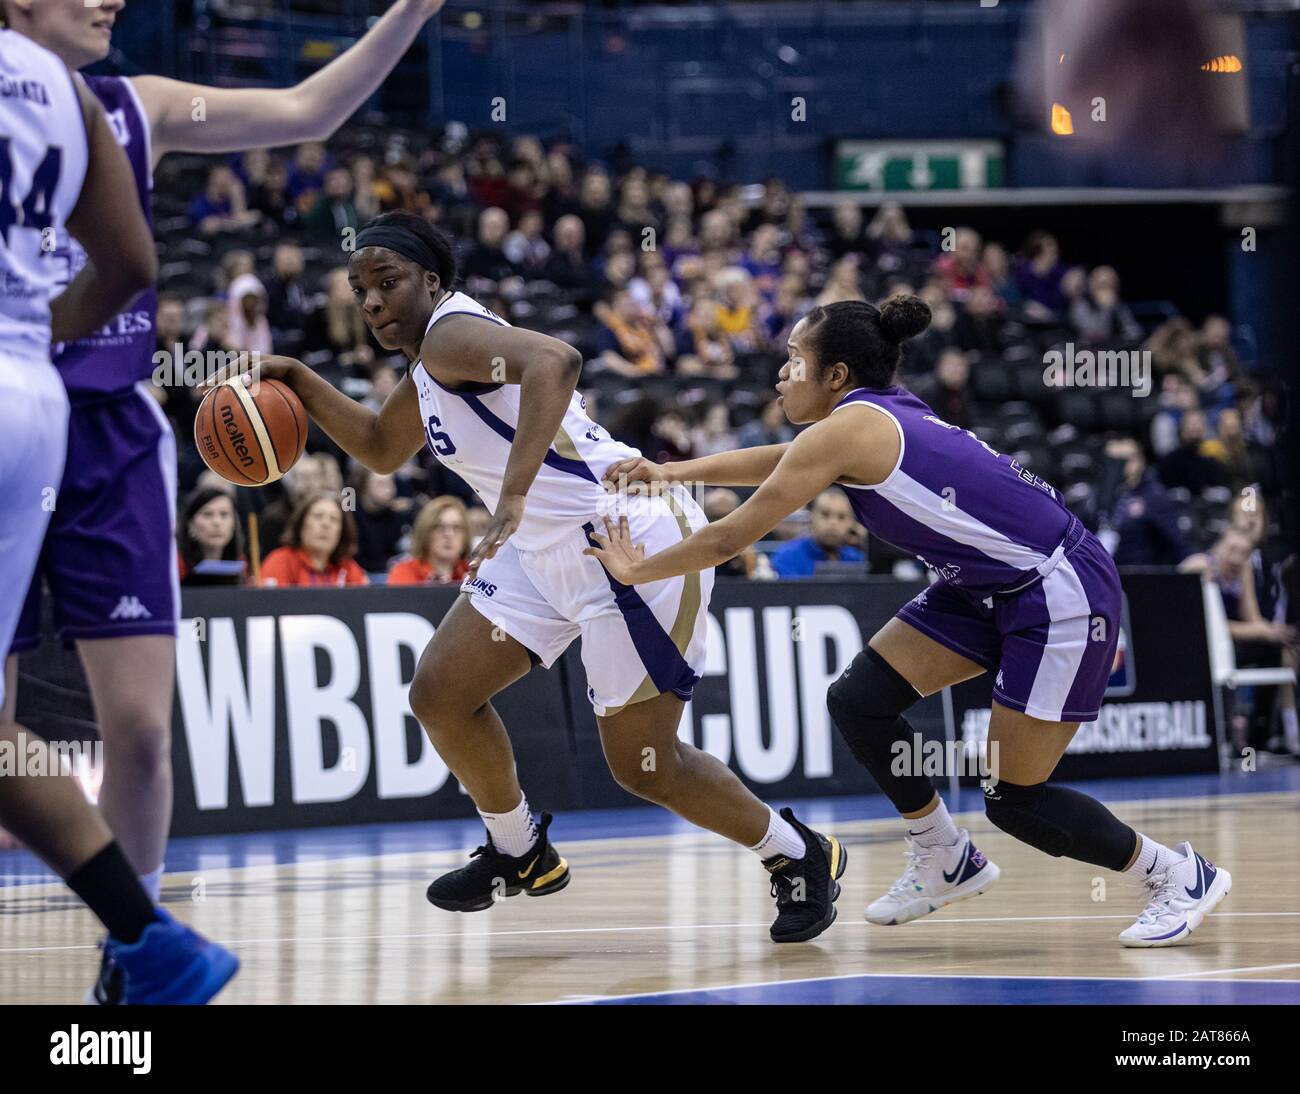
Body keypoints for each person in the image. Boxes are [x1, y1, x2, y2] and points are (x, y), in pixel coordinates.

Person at [4, 0, 450, 1006]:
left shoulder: (136, 104)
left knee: (143, 730)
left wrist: (407, 14)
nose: (109, 1)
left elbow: (309, 107)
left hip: (108, 434)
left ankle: (135, 951)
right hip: (20, 407)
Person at [234, 211, 846, 943]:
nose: (370, 303)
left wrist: (516, 490)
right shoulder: (429, 363)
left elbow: (554, 360)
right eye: (359, 289)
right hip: (541, 547)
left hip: (626, 538)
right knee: (441, 693)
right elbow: (377, 446)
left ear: (432, 281)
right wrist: (300, 380)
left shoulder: (452, 334)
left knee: (646, 766)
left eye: (387, 283)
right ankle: (518, 850)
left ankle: (797, 854)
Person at [589, 296, 1232, 948]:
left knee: (1015, 798)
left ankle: (1179, 874)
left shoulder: (850, 429)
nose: (781, 374)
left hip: (1056, 589)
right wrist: (671, 472)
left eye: (793, 361)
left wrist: (636, 569)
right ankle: (942, 854)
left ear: (835, 375)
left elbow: (731, 538)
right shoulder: (864, 419)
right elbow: (785, 459)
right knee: (861, 700)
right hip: (984, 586)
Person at [0, 25, 235, 1003]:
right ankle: (150, 937)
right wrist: (27, 338)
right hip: (34, 399)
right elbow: (132, 263)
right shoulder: (66, 92)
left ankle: (148, 936)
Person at [260, 494, 370, 588]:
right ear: (301, 524)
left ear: (342, 531)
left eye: (334, 519)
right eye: (318, 516)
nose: (326, 524)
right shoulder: (281, 560)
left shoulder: (348, 567)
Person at [770, 490, 866, 578]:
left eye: (841, 517)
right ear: (811, 516)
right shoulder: (787, 557)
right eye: (825, 514)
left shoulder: (857, 559)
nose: (833, 522)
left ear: (852, 522)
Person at [387, 496, 473, 586]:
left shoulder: (475, 574)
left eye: (456, 527)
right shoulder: (404, 572)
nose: (449, 534)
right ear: (425, 532)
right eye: (439, 527)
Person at [177, 487, 246, 584]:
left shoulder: (245, 566)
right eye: (207, 514)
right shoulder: (176, 566)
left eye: (224, 514)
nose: (217, 522)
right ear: (190, 524)